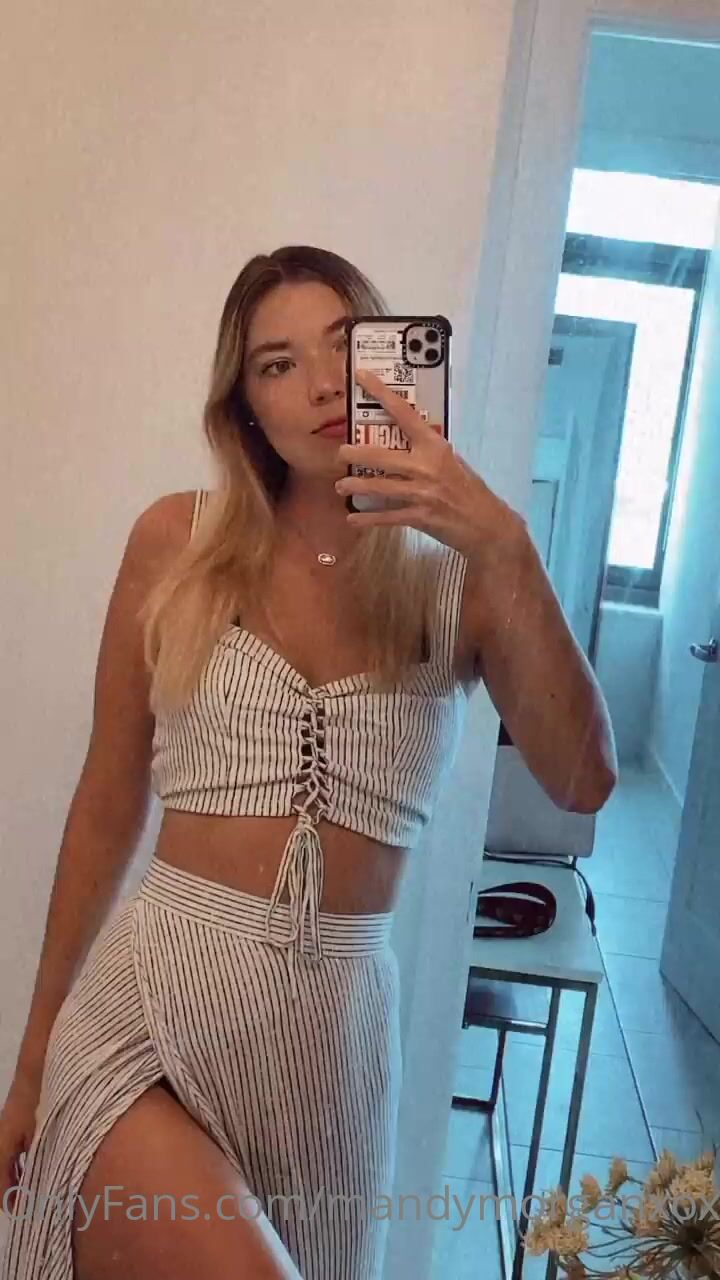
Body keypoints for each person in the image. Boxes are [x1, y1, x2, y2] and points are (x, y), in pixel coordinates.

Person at [0, 245, 617, 1279]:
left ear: (392, 361)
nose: (324, 384)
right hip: (149, 1009)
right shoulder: (177, 541)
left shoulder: (461, 583)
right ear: (244, 405)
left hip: (331, 1046)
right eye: (277, 364)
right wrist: (29, 1068)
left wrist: (505, 543)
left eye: (344, 346)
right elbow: (107, 798)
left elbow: (583, 777)